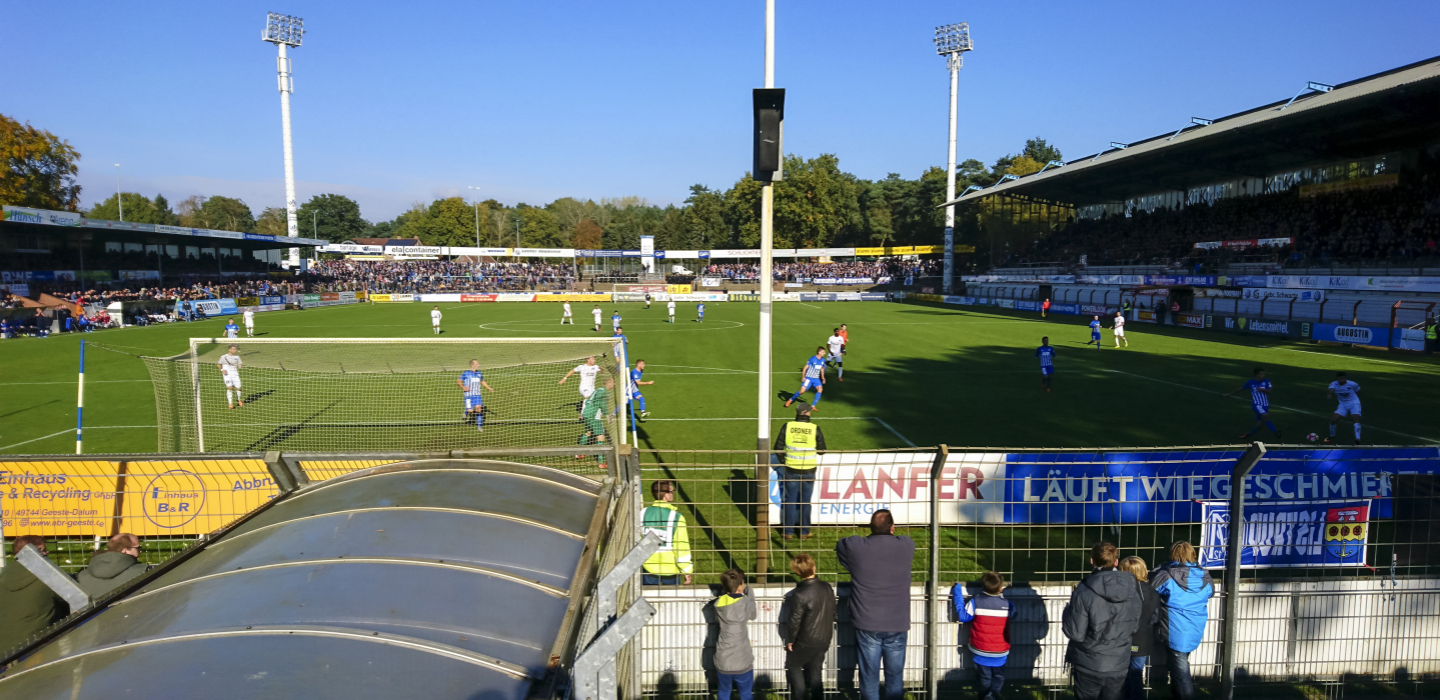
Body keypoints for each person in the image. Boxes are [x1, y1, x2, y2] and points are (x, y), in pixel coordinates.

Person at [837, 510, 916, 700]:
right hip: (897, 622)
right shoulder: (906, 545)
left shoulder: (857, 547)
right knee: (895, 677)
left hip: (867, 623)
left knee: (869, 677)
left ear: (870, 528)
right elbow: (903, 539)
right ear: (892, 527)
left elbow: (841, 544)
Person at [1062, 541, 1143, 700]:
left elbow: (1075, 633)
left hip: (1089, 662)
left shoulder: (1083, 591)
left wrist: (1066, 613)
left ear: (1092, 561)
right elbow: (1134, 626)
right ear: (1116, 561)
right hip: (1118, 663)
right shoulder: (1133, 590)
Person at [1150, 542, 1214, 700]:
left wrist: (1159, 569)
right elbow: (1211, 592)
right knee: (1178, 666)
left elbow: (1150, 589)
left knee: (1182, 674)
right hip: (1194, 629)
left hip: (1174, 631)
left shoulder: (1166, 575)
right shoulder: (1205, 576)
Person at [0, 535, 69, 653]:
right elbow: (76, 599)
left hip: (4, 651)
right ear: (35, 553)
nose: (47, 552)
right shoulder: (48, 575)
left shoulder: (4, 575)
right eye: (43, 550)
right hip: (37, 648)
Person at [952, 571, 1014, 700]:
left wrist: (957, 591)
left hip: (980, 650)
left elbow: (963, 617)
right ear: (1000, 588)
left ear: (983, 587)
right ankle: (995, 694)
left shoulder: (976, 601)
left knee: (984, 677)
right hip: (1000, 651)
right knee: (999, 676)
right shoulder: (1008, 605)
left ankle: (986, 696)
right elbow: (1014, 615)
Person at [783, 553, 836, 700]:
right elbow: (832, 610)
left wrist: (791, 640)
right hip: (824, 637)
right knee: (816, 669)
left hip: (806, 639)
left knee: (794, 666)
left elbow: (794, 621)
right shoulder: (826, 587)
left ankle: (799, 696)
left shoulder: (799, 594)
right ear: (814, 567)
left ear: (798, 573)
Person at [775, 404, 826, 540]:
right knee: (805, 501)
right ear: (808, 413)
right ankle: (805, 532)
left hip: (791, 469)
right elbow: (822, 450)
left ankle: (788, 532)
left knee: (790, 500)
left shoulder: (788, 426)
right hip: (809, 470)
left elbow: (778, 447)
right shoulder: (814, 428)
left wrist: (784, 461)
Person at [712, 568, 756, 700]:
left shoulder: (718, 603)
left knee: (724, 692)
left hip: (723, 659)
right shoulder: (745, 602)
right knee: (745, 694)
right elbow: (753, 615)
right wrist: (751, 595)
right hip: (742, 660)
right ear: (740, 586)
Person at [1120, 557, 1159, 700]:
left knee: (1120, 676)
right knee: (1136, 674)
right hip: (1143, 640)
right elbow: (1156, 617)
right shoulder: (1153, 592)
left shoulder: (1121, 592)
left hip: (1122, 639)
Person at [640, 479, 693, 585]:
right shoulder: (677, 517)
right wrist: (687, 570)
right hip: (670, 570)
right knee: (672, 600)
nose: (673, 494)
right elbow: (681, 547)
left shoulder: (642, 513)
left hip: (648, 567)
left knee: (648, 599)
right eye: (672, 491)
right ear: (666, 495)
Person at [75, 533, 149, 599]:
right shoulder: (142, 572)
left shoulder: (81, 575)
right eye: (138, 548)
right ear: (125, 550)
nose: (140, 551)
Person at [1224, 368, 1281, 441]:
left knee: (1260, 425)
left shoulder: (1266, 381)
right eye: (1261, 374)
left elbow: (1271, 391)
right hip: (1257, 405)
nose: (1263, 375)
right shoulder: (1250, 383)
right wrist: (1230, 394)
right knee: (1265, 416)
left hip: (1265, 405)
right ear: (1256, 375)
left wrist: (1263, 389)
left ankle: (1247, 435)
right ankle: (1275, 432)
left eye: (1263, 374)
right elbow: (1241, 389)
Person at [578, 377, 615, 466]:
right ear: (609, 382)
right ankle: (601, 462)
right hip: (594, 416)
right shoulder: (605, 392)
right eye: (613, 382)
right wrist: (608, 416)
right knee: (601, 437)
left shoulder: (598, 389)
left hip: (586, 413)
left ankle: (579, 453)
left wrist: (585, 411)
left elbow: (587, 401)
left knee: (588, 433)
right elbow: (603, 405)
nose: (614, 384)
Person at [782, 347, 827, 411]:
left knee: (820, 389)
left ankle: (813, 406)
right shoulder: (812, 359)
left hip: (816, 379)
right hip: (808, 378)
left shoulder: (823, 360)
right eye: (823, 352)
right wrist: (803, 377)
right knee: (802, 391)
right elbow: (805, 368)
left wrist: (823, 377)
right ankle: (790, 400)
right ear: (819, 352)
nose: (824, 353)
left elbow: (822, 369)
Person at [457, 359, 495, 431]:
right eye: (477, 364)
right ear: (472, 365)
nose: (478, 365)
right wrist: (463, 387)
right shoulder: (466, 373)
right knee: (470, 411)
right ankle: (466, 411)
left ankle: (479, 426)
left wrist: (489, 388)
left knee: (478, 409)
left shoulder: (479, 373)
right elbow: (458, 381)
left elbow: (482, 381)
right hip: (468, 395)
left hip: (477, 395)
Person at [1325, 371, 1362, 445]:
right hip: (1343, 404)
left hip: (1354, 403)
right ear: (1337, 379)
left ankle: (1357, 438)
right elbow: (1331, 389)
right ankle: (1332, 436)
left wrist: (1357, 401)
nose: (1341, 380)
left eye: (1343, 378)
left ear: (1345, 378)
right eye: (1340, 379)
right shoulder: (1334, 384)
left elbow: (1358, 391)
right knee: (1334, 420)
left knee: (1356, 417)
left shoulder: (1352, 384)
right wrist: (1329, 395)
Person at [217, 344, 244, 409]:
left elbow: (239, 363)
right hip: (227, 374)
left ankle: (238, 399)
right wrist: (222, 370)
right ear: (229, 349)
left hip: (235, 374)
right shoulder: (223, 357)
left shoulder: (237, 357)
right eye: (233, 349)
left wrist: (240, 366)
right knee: (230, 387)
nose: (235, 350)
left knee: (239, 388)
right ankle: (230, 404)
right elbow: (218, 364)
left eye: (235, 349)